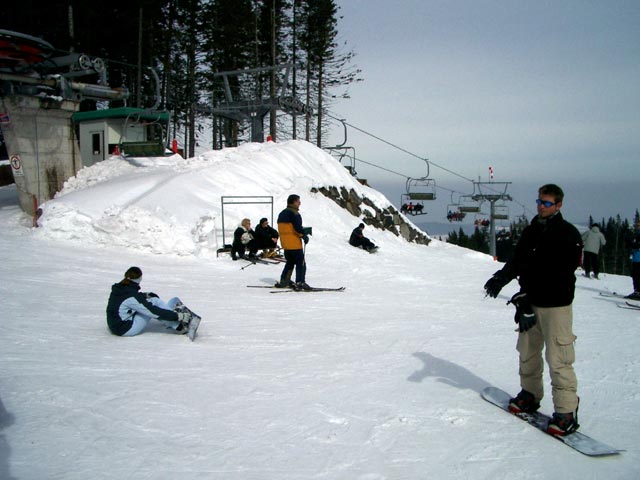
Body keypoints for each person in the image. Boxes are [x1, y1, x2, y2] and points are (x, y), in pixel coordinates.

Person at [483, 184, 584, 436]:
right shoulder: (531, 231)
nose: (541, 206)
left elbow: (560, 274)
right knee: (527, 351)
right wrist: (500, 278)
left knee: (558, 358)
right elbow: (518, 261)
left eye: (547, 203)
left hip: (555, 304)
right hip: (529, 303)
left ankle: (566, 412)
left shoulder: (568, 234)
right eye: (539, 201)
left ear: (558, 205)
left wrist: (528, 295)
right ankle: (530, 393)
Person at [106, 266, 193, 337]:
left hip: (114, 324)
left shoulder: (120, 288)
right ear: (139, 279)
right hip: (125, 328)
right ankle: (178, 326)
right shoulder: (132, 296)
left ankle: (169, 316)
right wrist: (177, 316)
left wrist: (145, 295)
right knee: (153, 304)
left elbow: (129, 298)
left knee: (152, 301)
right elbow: (153, 311)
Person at [276, 194, 310, 290]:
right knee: (301, 263)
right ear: (293, 202)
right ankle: (300, 282)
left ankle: (284, 280)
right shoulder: (294, 214)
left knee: (290, 262)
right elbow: (297, 228)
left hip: (286, 244)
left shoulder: (282, 213)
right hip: (294, 244)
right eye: (298, 201)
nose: (299, 203)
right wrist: (304, 236)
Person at [626, 221, 640, 299]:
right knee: (635, 275)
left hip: (638, 259)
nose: (637, 227)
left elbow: (636, 245)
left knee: (637, 275)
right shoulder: (636, 235)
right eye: (637, 225)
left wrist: (631, 244)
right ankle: (637, 291)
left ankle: (637, 291)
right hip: (636, 258)